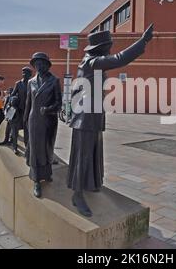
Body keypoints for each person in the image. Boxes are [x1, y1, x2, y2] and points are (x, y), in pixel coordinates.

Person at [68, 24, 154, 217]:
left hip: (94, 115)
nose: (109, 50)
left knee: (93, 152)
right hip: (85, 117)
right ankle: (77, 194)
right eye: (108, 46)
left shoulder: (95, 63)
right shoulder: (90, 62)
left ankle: (91, 184)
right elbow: (119, 59)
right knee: (83, 156)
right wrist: (143, 41)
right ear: (100, 48)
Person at [24, 53, 62, 198]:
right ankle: (36, 180)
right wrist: (25, 121)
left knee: (47, 148)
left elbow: (59, 103)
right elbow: (28, 103)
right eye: (37, 64)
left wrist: (49, 109)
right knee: (35, 149)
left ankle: (47, 174)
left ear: (47, 65)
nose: (39, 66)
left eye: (42, 63)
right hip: (34, 120)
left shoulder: (54, 81)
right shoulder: (31, 82)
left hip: (49, 121)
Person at [0, 67, 33, 155]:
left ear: (30, 75)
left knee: (27, 132)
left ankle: (27, 149)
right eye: (23, 73)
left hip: (28, 111)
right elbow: (13, 95)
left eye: (26, 73)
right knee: (14, 130)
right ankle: (14, 147)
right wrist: (13, 100)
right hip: (18, 111)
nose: (24, 75)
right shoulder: (18, 84)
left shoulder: (32, 84)